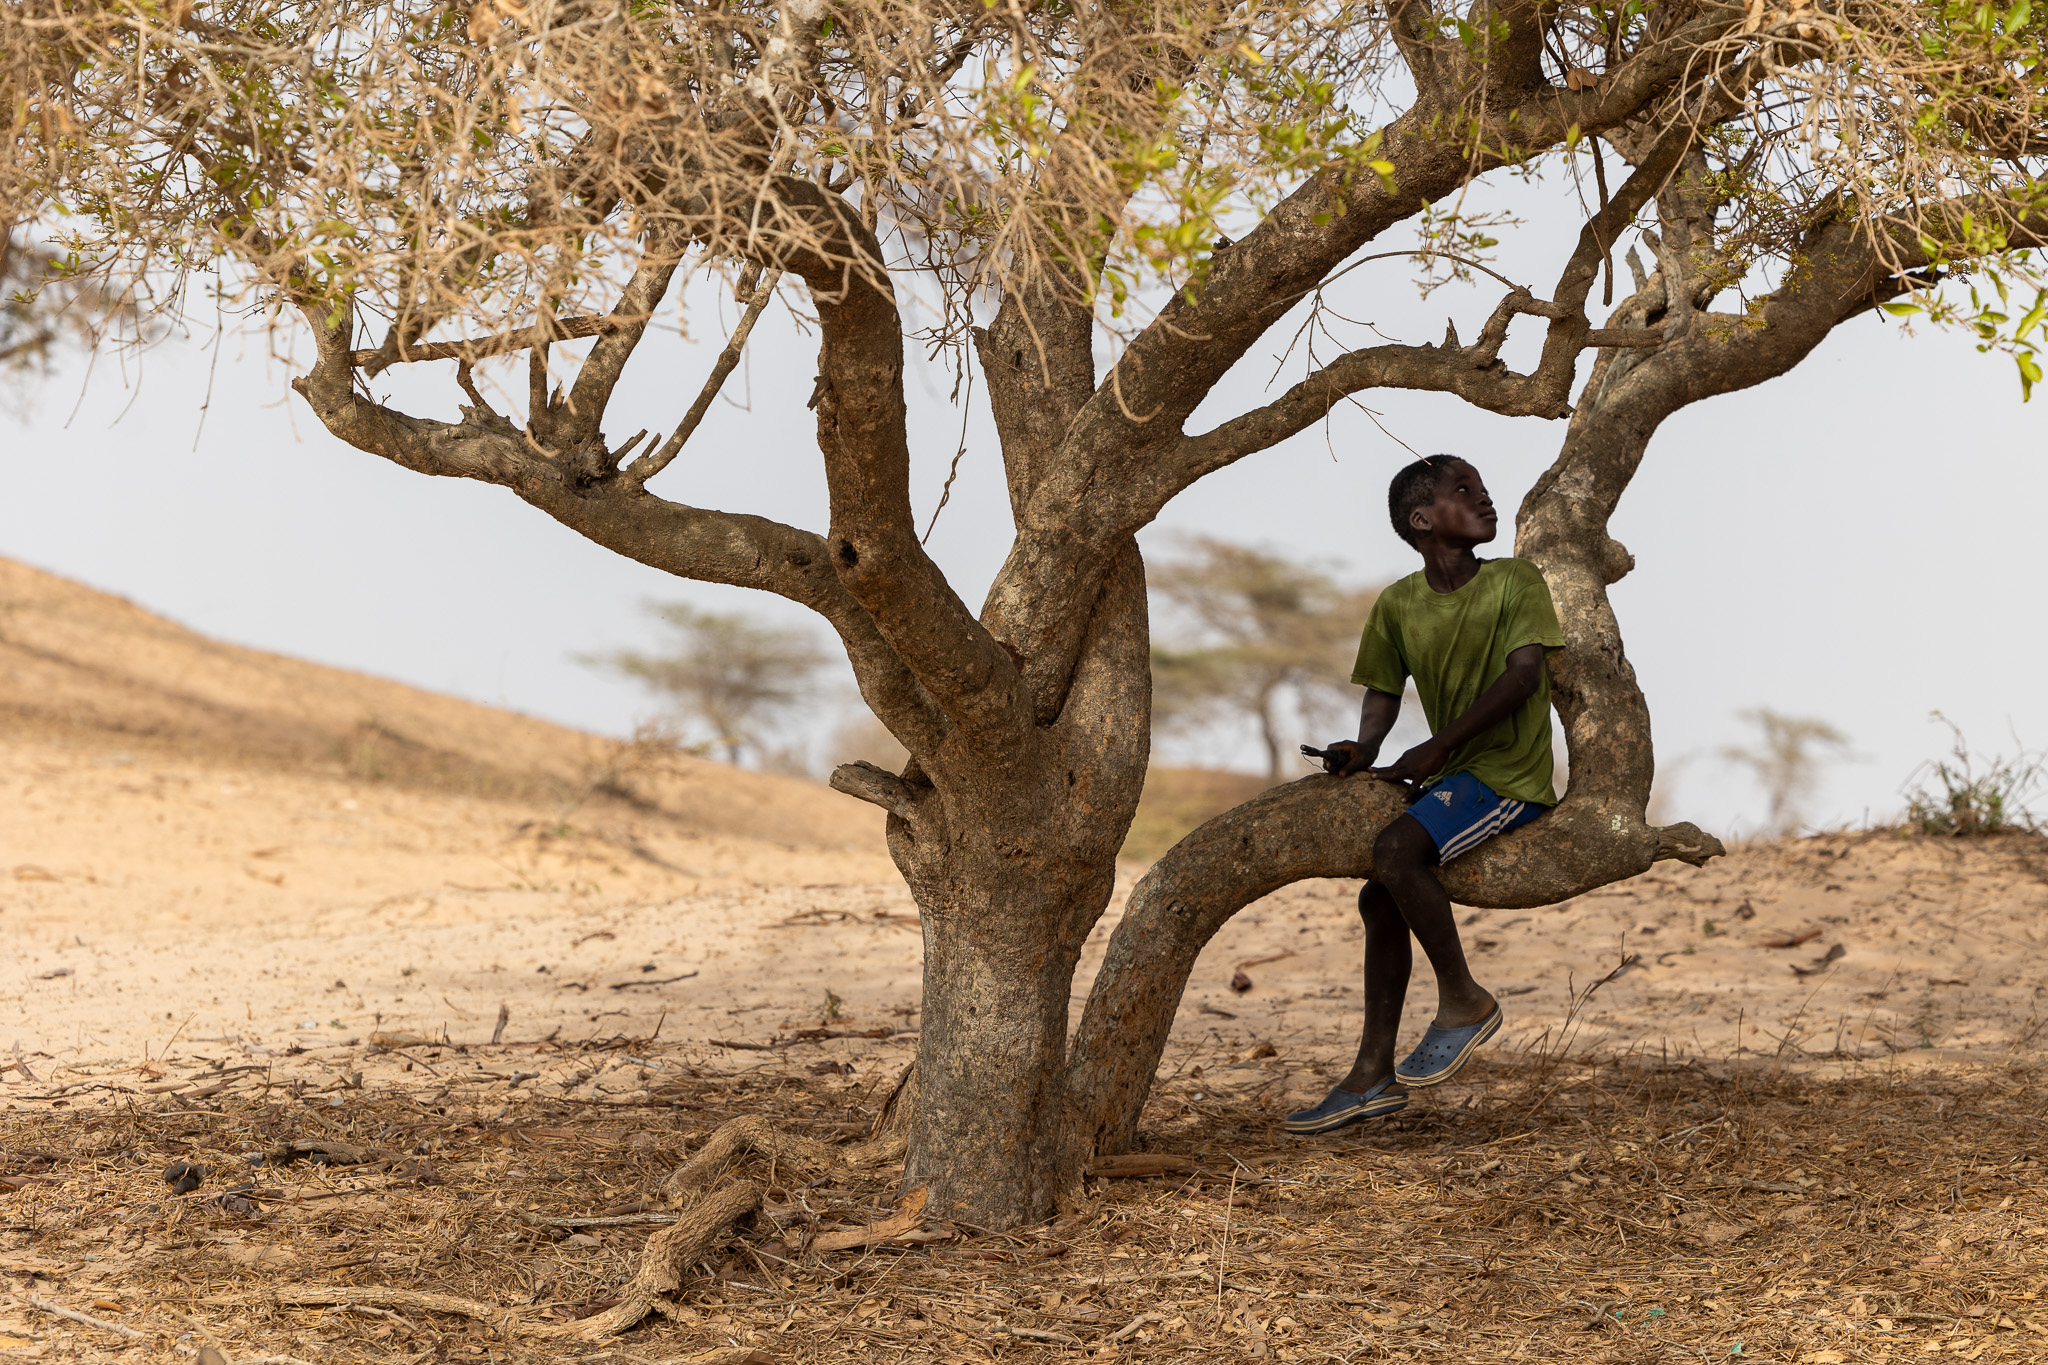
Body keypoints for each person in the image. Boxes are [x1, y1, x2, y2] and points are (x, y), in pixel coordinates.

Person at [1284, 454, 1564, 1135]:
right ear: (1422, 519)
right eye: (1463, 490)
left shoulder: (1515, 581)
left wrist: (1436, 747)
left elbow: (1526, 676)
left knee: (1395, 849)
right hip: (1455, 778)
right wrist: (1365, 748)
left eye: (1480, 487)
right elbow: (1383, 690)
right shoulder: (1398, 604)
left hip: (1506, 776)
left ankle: (1464, 1000)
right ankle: (1371, 1076)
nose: (1484, 497)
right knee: (1379, 893)